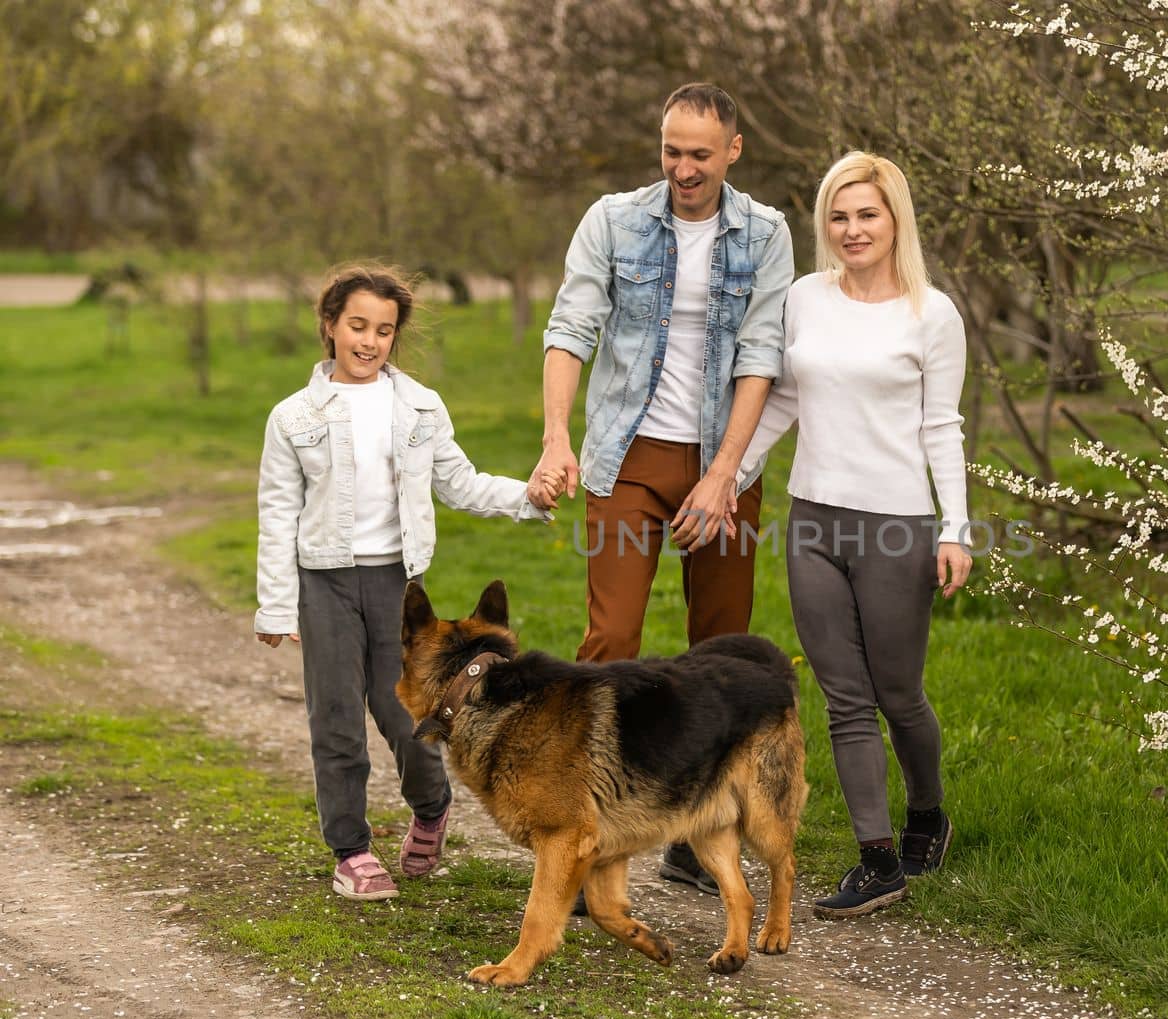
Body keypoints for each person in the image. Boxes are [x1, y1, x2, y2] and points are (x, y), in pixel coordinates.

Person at [527, 82, 795, 897]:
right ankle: (572, 843)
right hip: (628, 458)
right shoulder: (612, 220)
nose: (683, 169)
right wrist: (555, 436)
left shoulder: (768, 233)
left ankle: (694, 832)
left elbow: (762, 354)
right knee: (610, 641)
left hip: (725, 465)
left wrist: (723, 476)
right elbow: (571, 327)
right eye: (672, 151)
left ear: (733, 151)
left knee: (721, 648)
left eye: (700, 155)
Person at [255, 264, 551, 901]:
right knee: (335, 721)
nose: (369, 341)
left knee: (407, 716)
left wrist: (527, 496)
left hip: (398, 588)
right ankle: (352, 851)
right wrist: (277, 607)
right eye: (357, 325)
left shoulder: (418, 405)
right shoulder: (293, 417)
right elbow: (277, 512)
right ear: (330, 325)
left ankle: (431, 806)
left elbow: (460, 482)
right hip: (324, 586)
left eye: (384, 330)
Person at [739, 151, 973, 918]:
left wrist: (956, 529)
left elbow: (943, 426)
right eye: (838, 216)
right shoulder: (806, 298)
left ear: (895, 218)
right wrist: (730, 473)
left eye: (867, 214)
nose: (852, 229)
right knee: (844, 698)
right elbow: (786, 400)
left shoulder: (931, 315)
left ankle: (928, 814)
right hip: (812, 519)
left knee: (899, 694)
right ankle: (877, 860)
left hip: (896, 527)